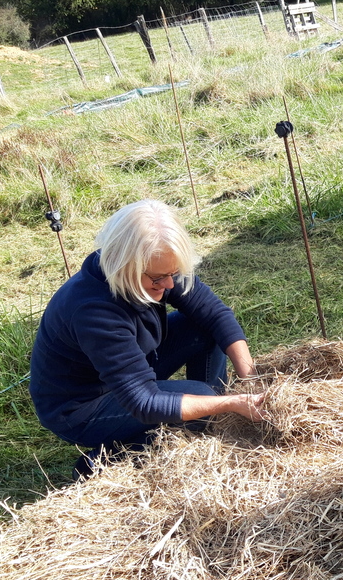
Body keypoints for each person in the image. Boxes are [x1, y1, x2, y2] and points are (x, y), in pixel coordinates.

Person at [30, 199, 264, 478]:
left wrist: (249, 378)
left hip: (129, 369)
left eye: (173, 274)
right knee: (204, 400)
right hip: (81, 407)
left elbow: (215, 314)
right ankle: (104, 462)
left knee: (202, 328)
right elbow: (143, 401)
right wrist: (228, 403)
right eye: (158, 279)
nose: (168, 285)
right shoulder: (94, 312)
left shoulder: (153, 267)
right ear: (126, 266)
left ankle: (205, 420)